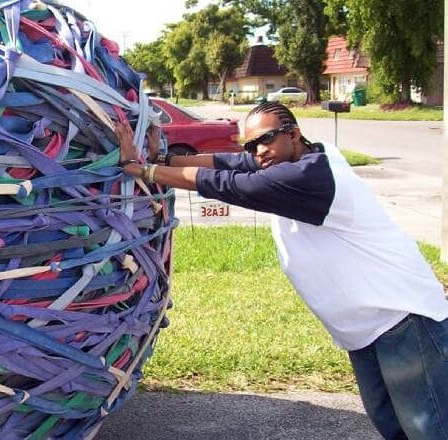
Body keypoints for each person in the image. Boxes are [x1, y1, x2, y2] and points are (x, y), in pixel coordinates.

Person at [117, 102, 448, 440]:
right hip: (367, 329)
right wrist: (162, 160)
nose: (258, 152)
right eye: (251, 145)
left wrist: (142, 170)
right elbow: (230, 162)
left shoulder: (309, 177)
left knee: (429, 428)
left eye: (266, 140)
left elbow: (225, 182)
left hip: (404, 320)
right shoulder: (305, 156)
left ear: (294, 133)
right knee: (392, 426)